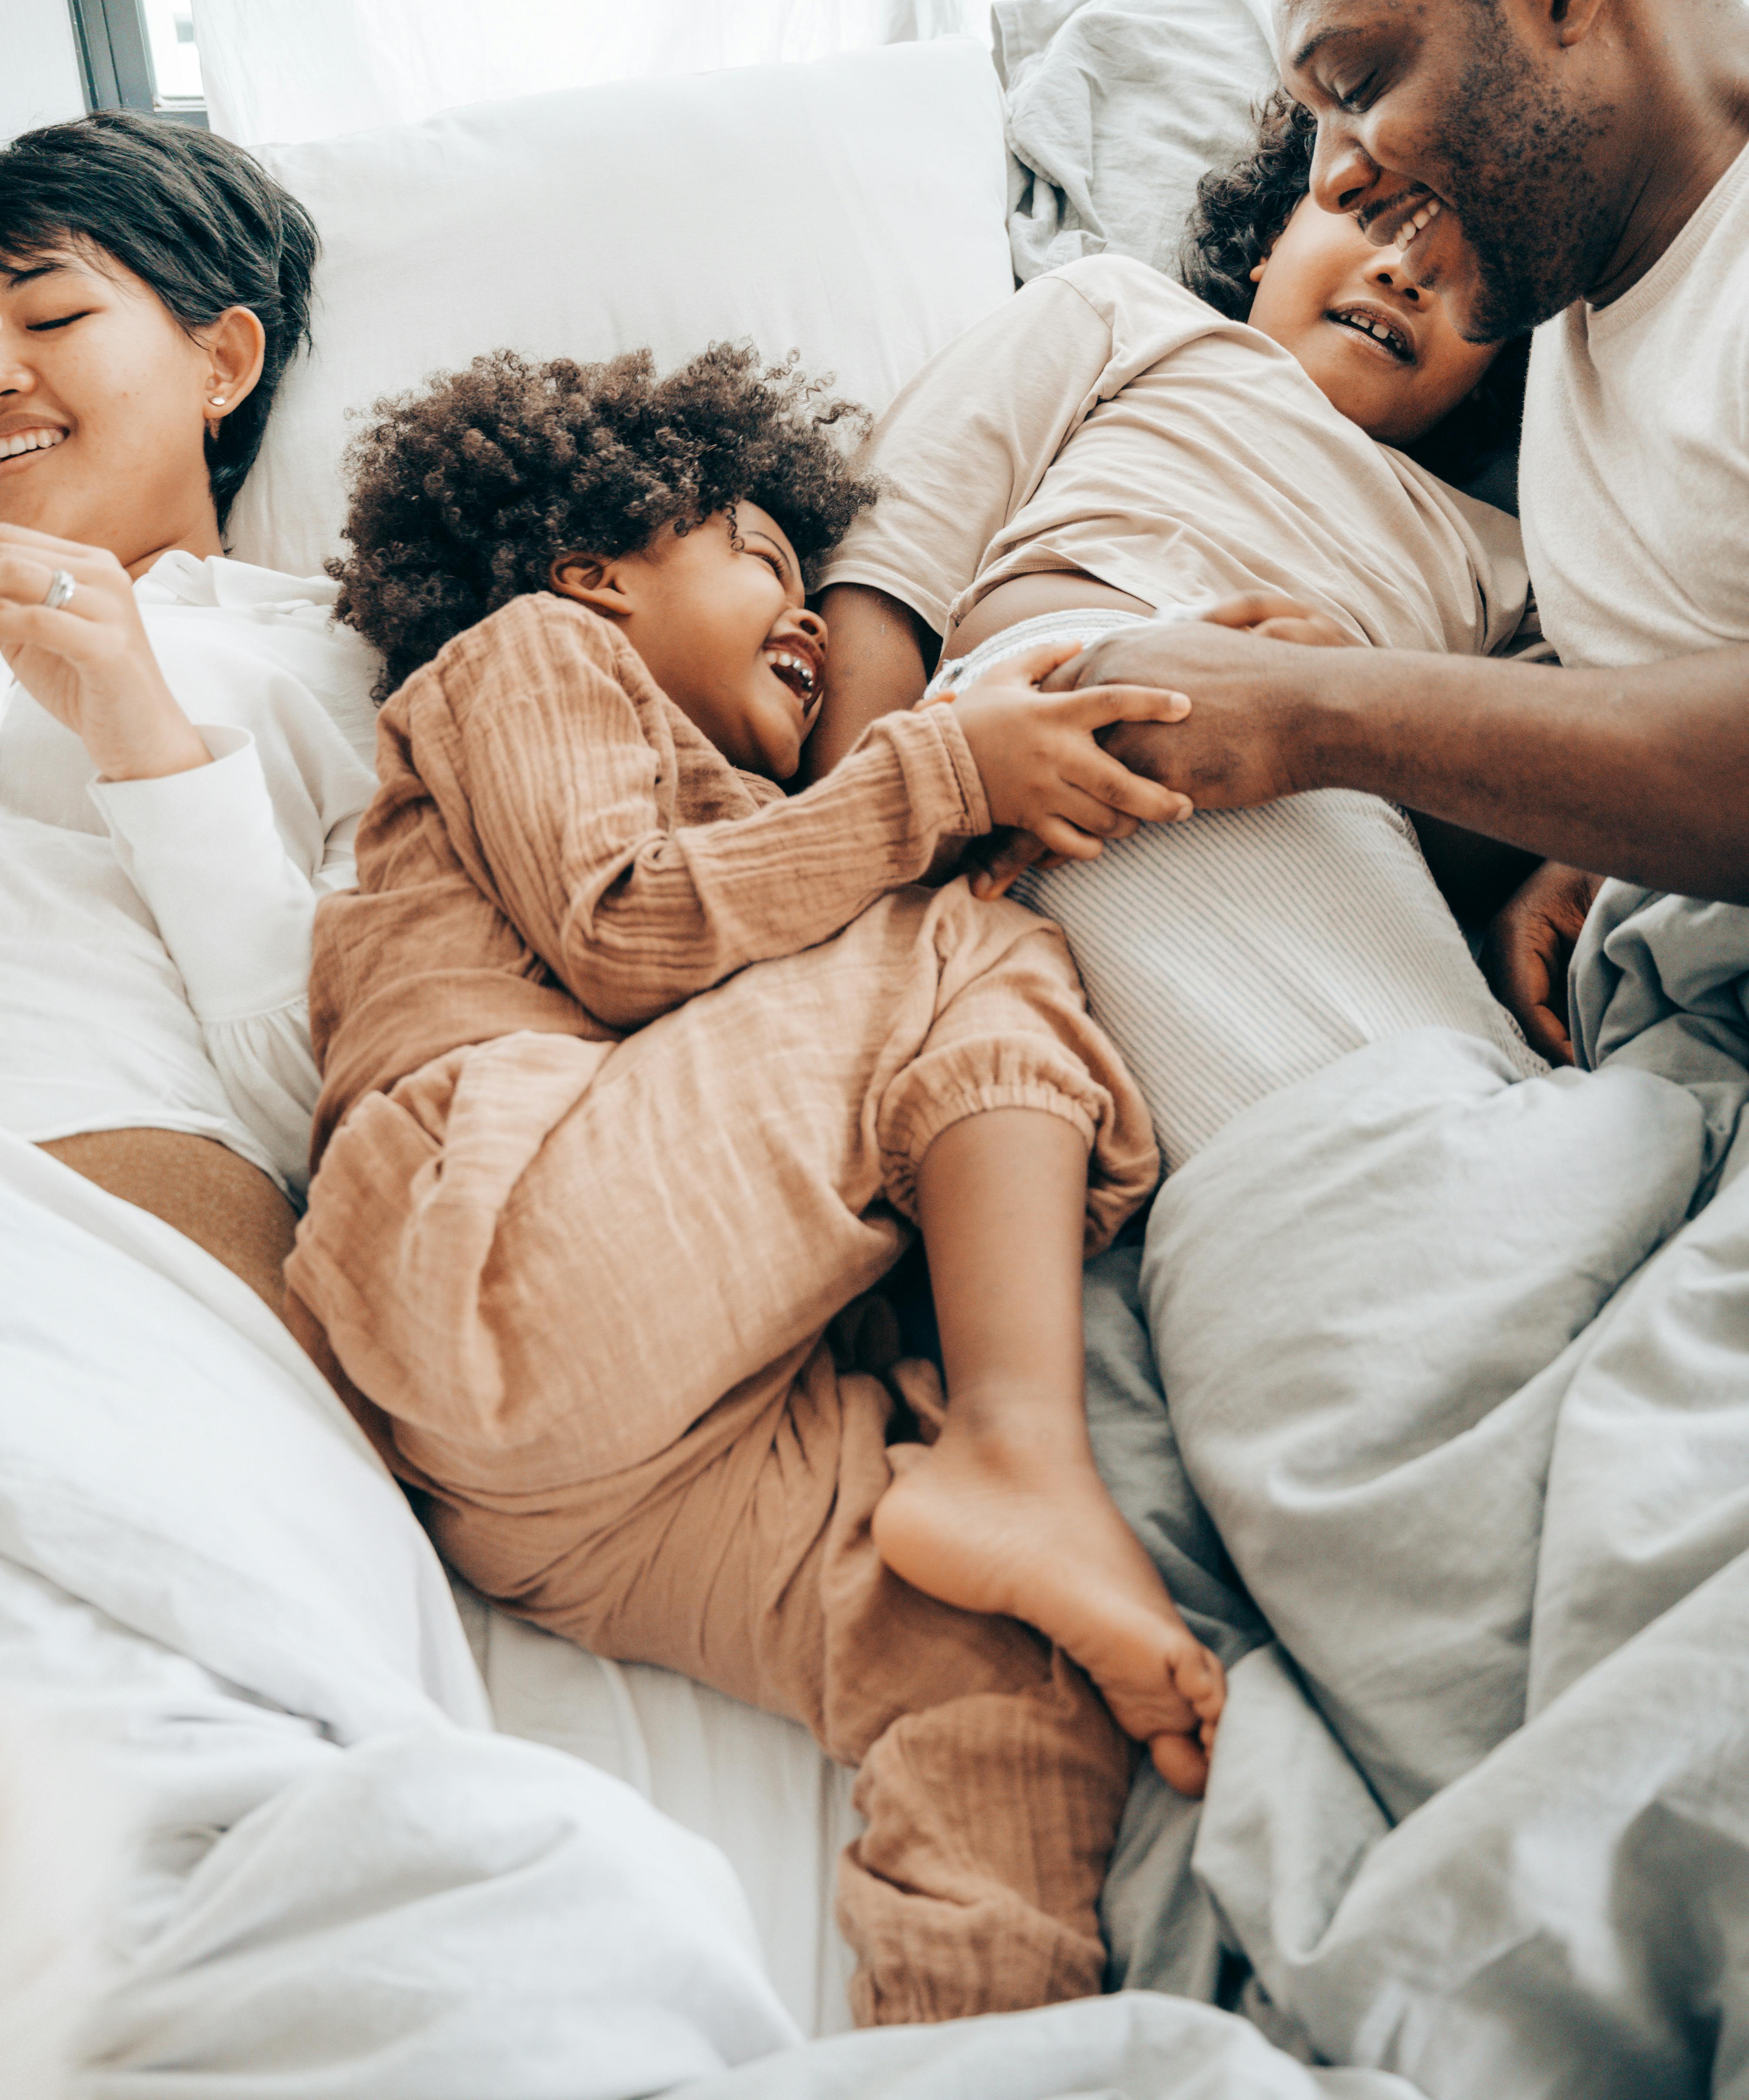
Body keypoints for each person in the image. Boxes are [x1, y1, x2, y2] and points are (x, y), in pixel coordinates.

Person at [291, 339, 1227, 2024]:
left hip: (589, 1483)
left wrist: (1095, 735)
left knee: (1005, 1678)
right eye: (754, 552)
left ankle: (983, 2046)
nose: (802, 606)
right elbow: (632, 922)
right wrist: (952, 778)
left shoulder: (781, 836)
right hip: (491, 1235)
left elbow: (784, 1012)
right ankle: (1024, 1445)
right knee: (966, 943)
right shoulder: (531, 654)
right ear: (595, 564)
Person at [1021, 0, 1749, 1061]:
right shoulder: (1574, 311)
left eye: (1355, 90)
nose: (1339, 183)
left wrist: (1319, 711)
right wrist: (1592, 850)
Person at [810, 97, 1541, 1175]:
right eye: (1374, 212)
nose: (1405, 270)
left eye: (1467, 265)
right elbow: (887, 562)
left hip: (1333, 803)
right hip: (1045, 724)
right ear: (1266, 242)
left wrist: (1359, 707)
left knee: (1440, 1103)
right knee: (1383, 1148)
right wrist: (859, 852)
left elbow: (1501, 808)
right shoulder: (1129, 315)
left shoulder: (1510, 558)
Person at [0, 112, 377, 1313]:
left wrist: (146, 742)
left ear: (222, 364)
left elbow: (338, 1106)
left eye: (51, 318)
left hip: (92, 1180)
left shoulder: (340, 660)